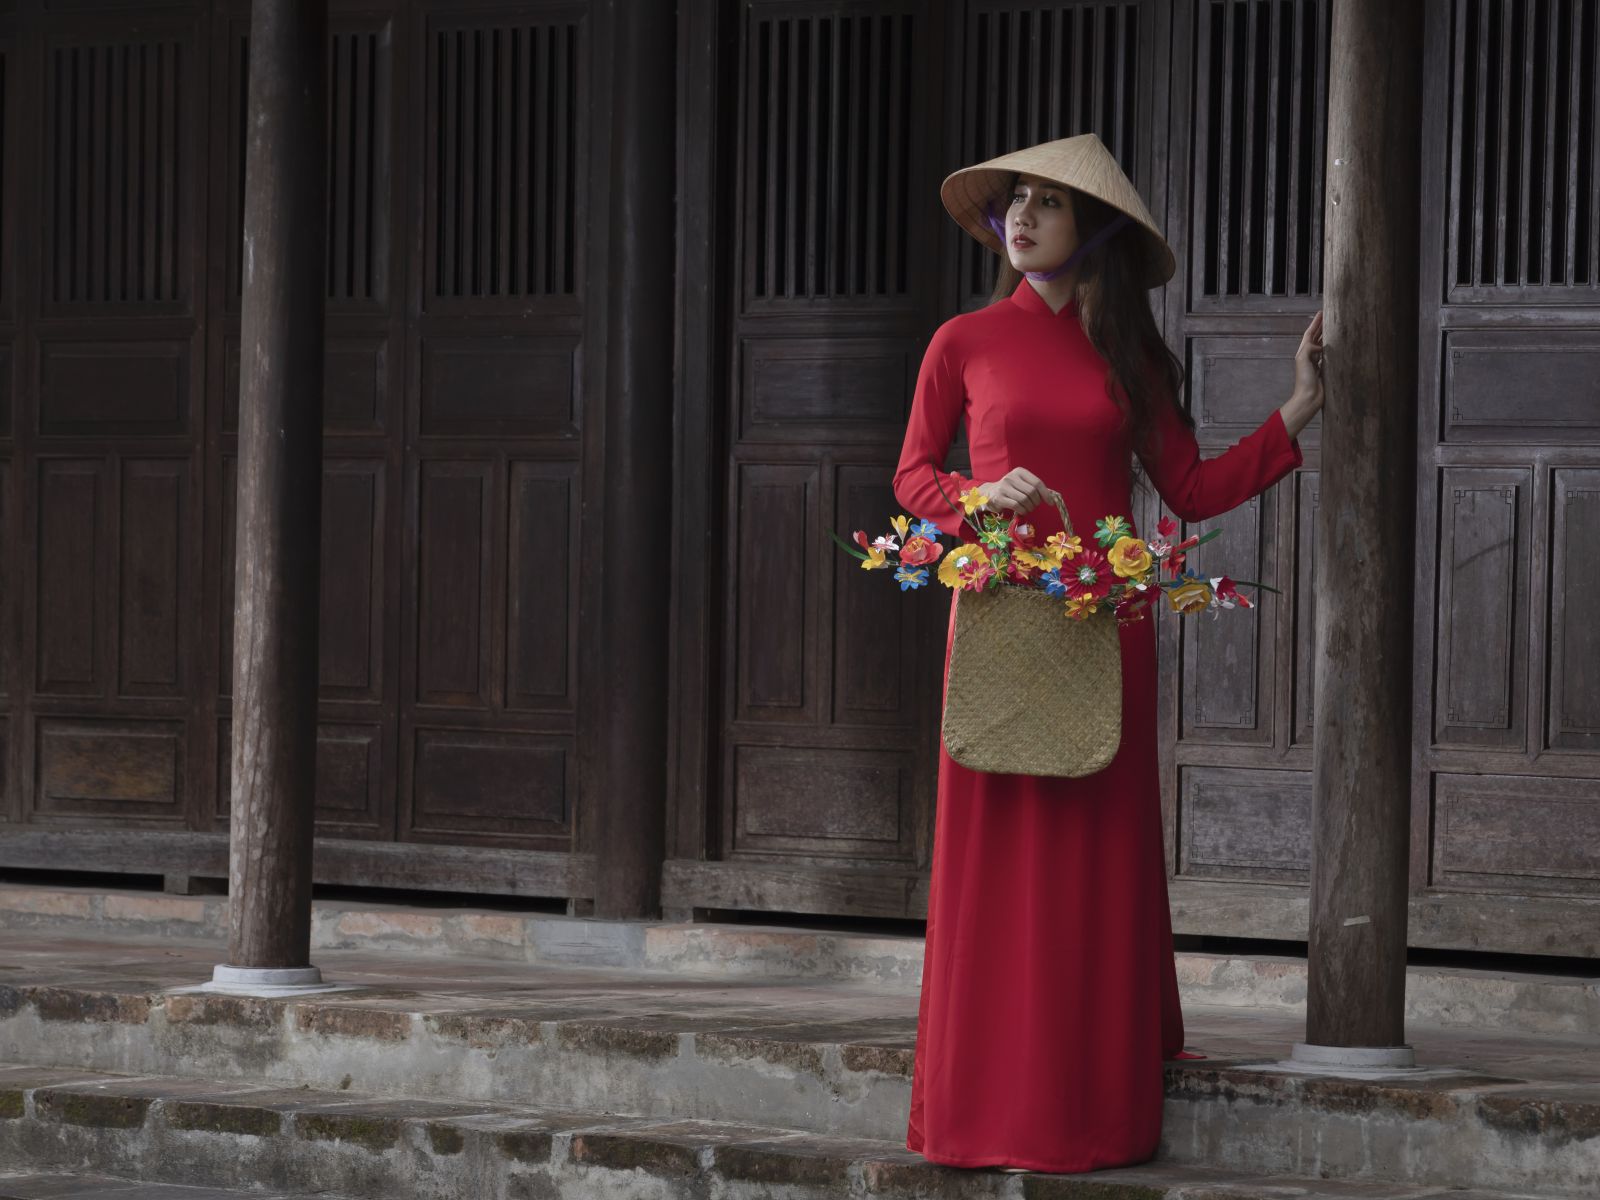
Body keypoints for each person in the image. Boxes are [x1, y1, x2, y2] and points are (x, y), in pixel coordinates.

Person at [891, 133, 1325, 1174]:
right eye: (1014, 201)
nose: (1022, 217)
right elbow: (911, 477)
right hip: (1000, 617)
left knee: (1091, 860)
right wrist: (975, 495)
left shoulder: (1126, 359)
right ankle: (984, 1104)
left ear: (1091, 230)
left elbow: (1193, 489)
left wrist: (1300, 405)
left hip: (1103, 625)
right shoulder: (963, 341)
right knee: (995, 862)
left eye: (1047, 202)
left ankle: (1084, 1104)